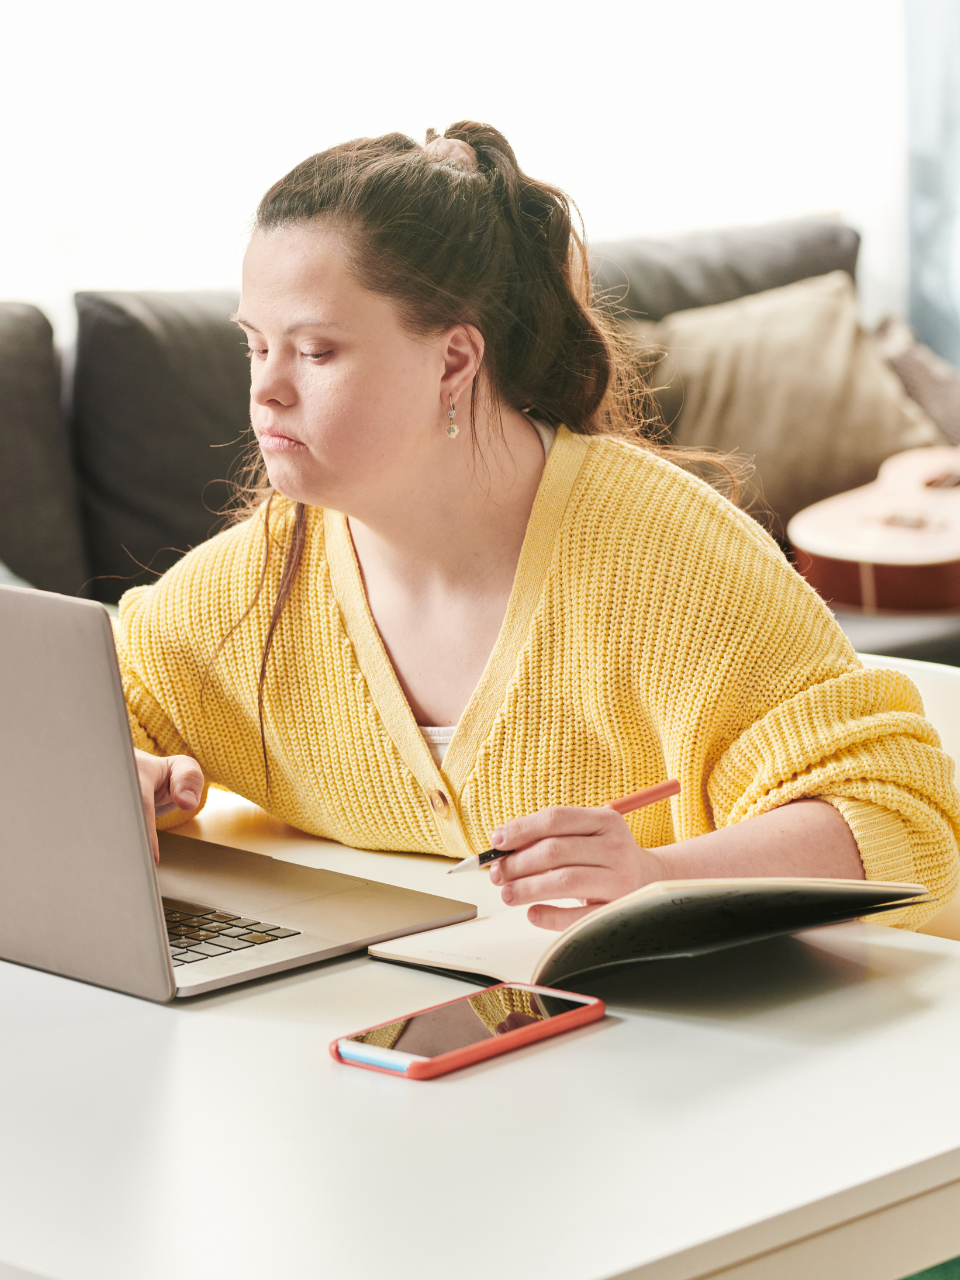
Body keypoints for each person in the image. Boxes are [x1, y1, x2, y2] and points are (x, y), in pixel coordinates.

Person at [119, 122, 960, 933]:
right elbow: (95, 698)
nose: (266, 389)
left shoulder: (667, 558)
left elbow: (906, 821)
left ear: (453, 361)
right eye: (255, 347)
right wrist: (124, 774)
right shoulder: (260, 577)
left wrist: (657, 875)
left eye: (315, 351)